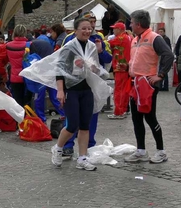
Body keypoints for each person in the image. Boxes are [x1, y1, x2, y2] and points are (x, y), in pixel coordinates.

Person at [51, 18, 107, 171]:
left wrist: (91, 66)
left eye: (89, 28)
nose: (87, 31)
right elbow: (60, 69)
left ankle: (82, 157)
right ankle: (58, 148)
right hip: (71, 90)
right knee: (72, 125)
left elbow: (96, 69)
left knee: (85, 125)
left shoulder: (91, 47)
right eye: (83, 28)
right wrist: (60, 90)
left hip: (86, 89)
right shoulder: (69, 47)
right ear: (75, 30)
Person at [124, 10, 173, 164]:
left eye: (131, 22)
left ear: (138, 24)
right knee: (136, 118)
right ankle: (141, 151)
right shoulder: (135, 39)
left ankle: (161, 151)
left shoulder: (154, 38)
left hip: (147, 84)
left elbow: (169, 55)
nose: (130, 24)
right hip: (135, 83)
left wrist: (161, 74)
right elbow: (137, 60)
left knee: (150, 118)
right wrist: (127, 67)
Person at [61, 11, 112, 156]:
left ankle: (89, 147)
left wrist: (101, 51)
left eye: (93, 22)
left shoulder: (99, 38)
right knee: (72, 119)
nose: (91, 26)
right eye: (88, 22)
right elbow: (62, 63)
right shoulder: (69, 40)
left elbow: (108, 59)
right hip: (74, 85)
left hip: (93, 83)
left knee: (90, 117)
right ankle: (67, 145)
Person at [107, 22, 131, 119]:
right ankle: (123, 110)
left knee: (119, 90)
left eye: (115, 29)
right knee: (124, 90)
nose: (113, 31)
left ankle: (118, 112)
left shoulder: (121, 38)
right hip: (125, 67)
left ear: (120, 29)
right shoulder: (128, 37)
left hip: (120, 67)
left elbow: (108, 44)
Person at [6, 24, 32, 107]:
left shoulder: (8, 45)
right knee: (27, 102)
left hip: (14, 77)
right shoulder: (29, 45)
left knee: (17, 102)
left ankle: (19, 119)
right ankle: (28, 119)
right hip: (27, 76)